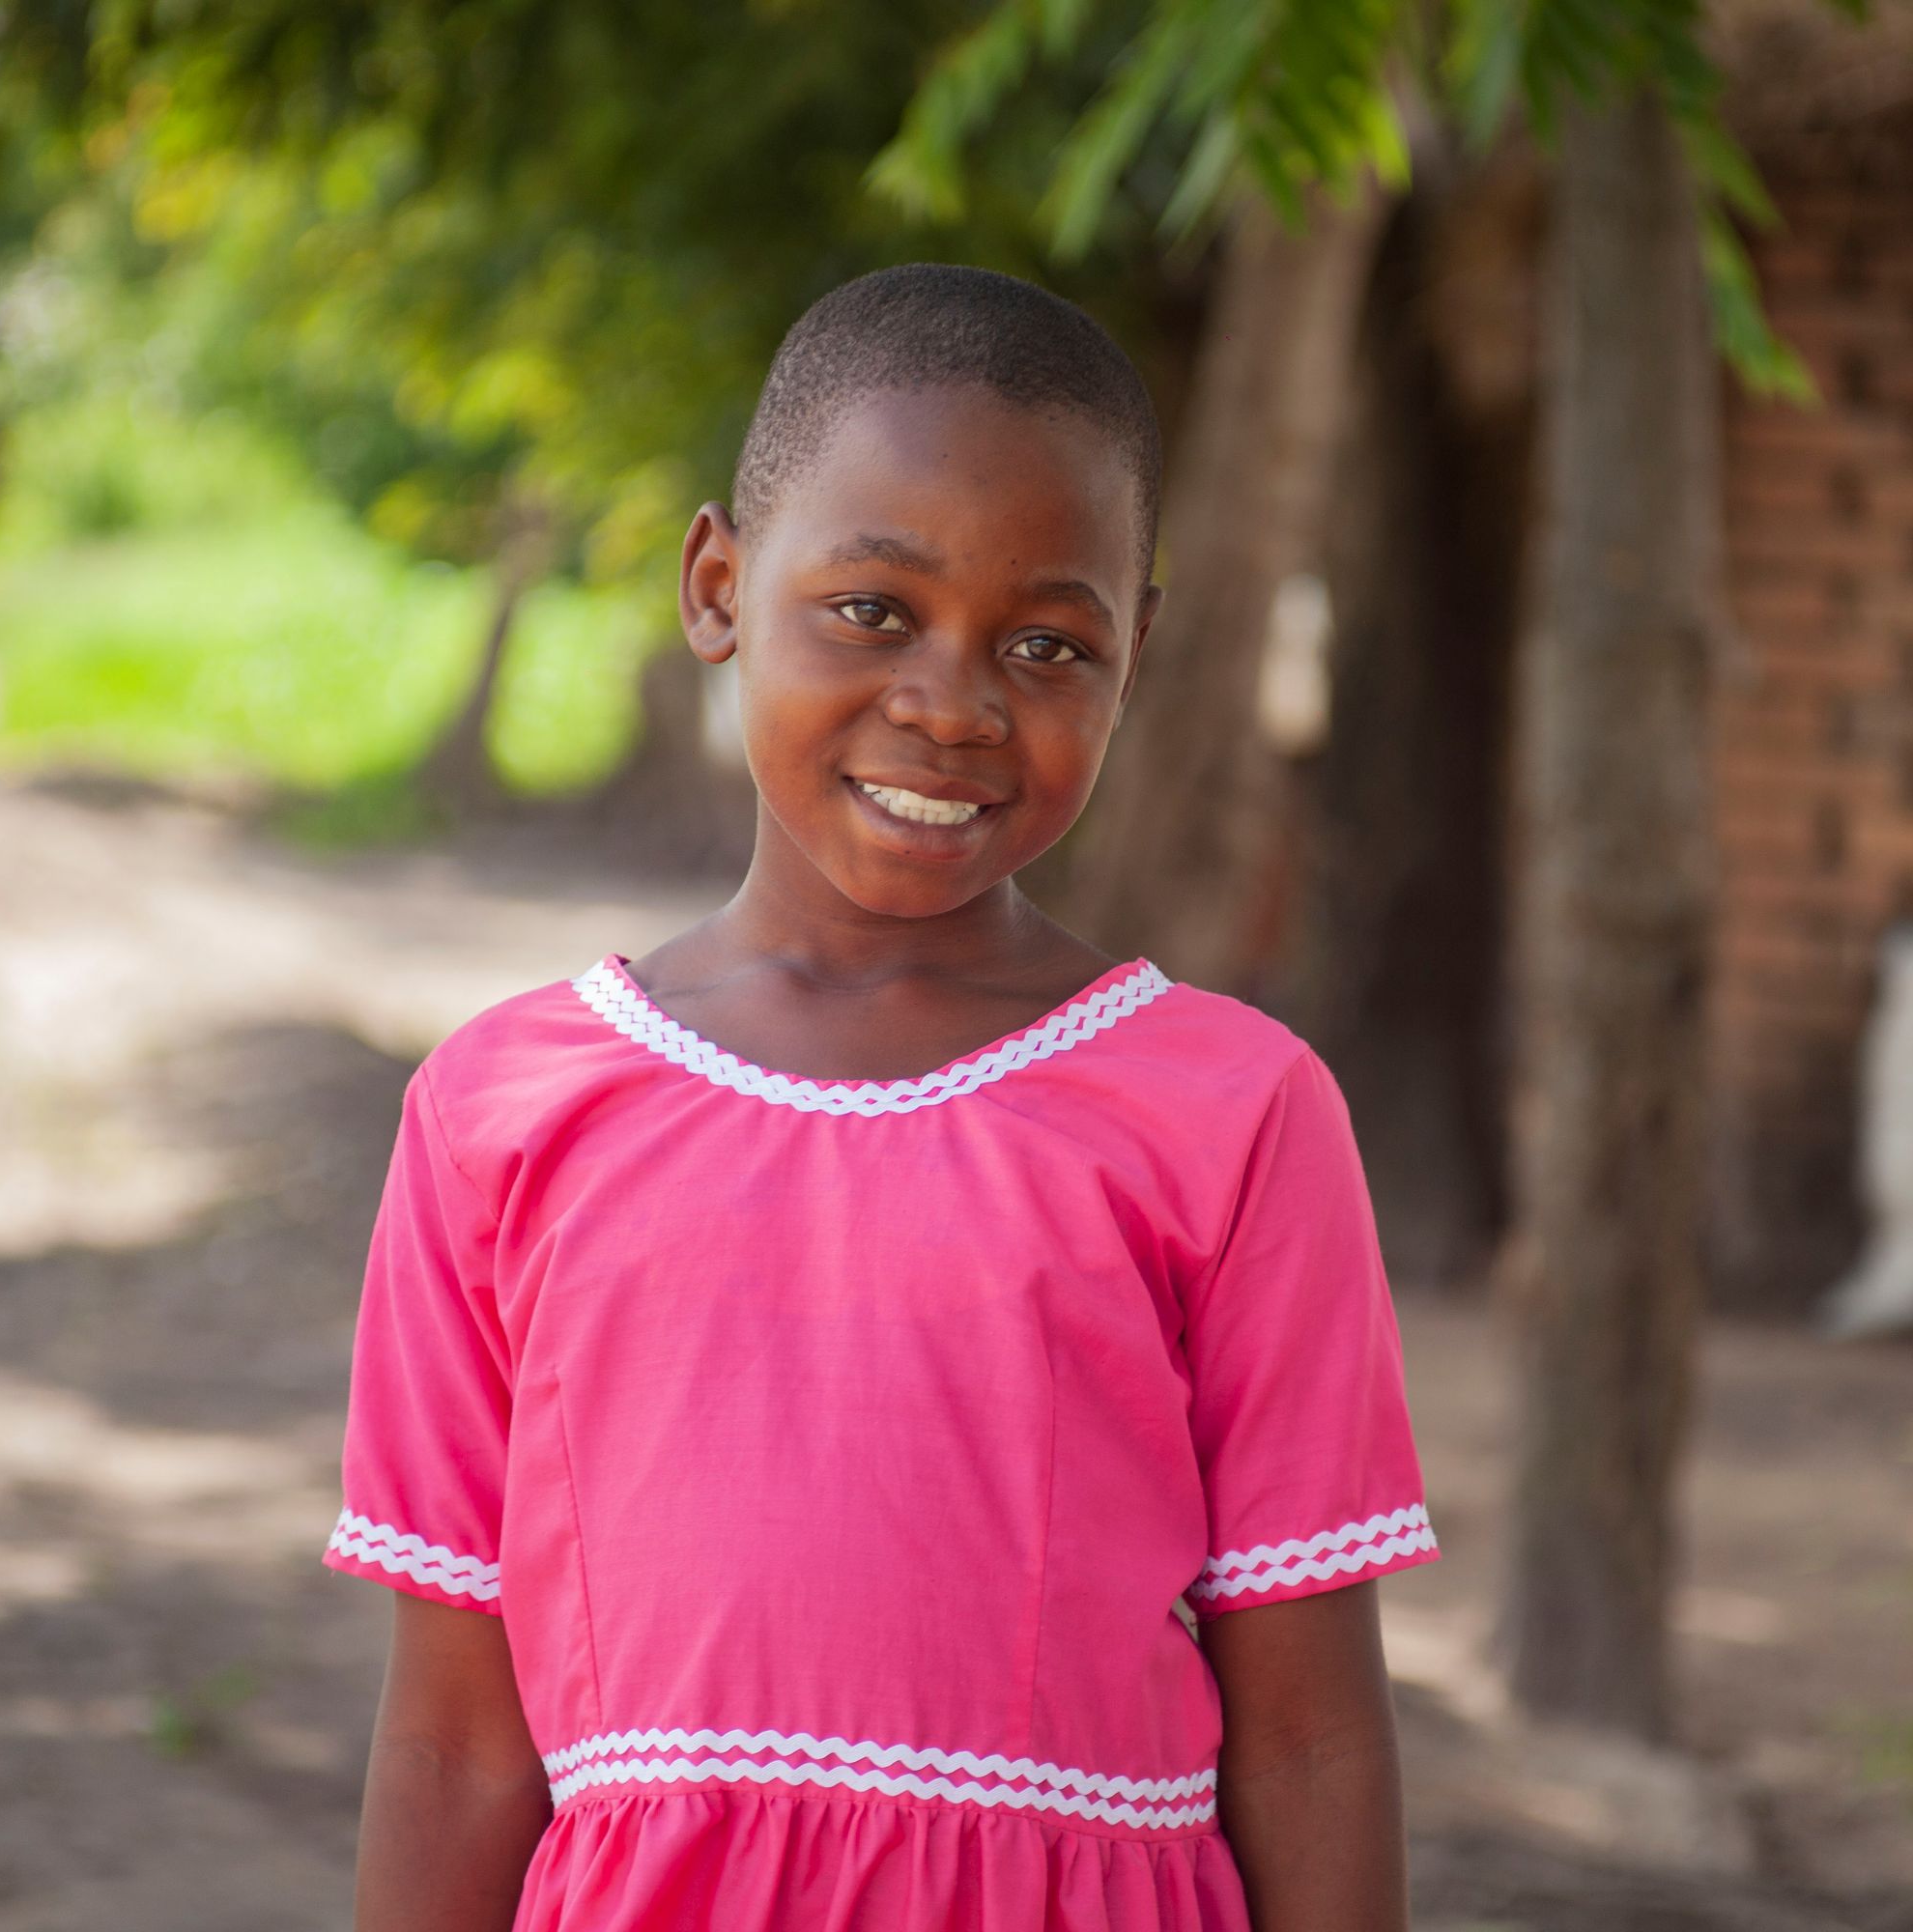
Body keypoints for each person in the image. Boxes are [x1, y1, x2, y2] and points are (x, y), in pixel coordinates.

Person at [325, 262, 1442, 1932]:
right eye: (872, 610)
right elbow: (454, 1753)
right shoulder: (503, 1112)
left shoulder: (1231, 1113)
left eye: (1050, 643)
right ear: (717, 584)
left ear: (1137, 658)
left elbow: (1309, 1740)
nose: (951, 702)